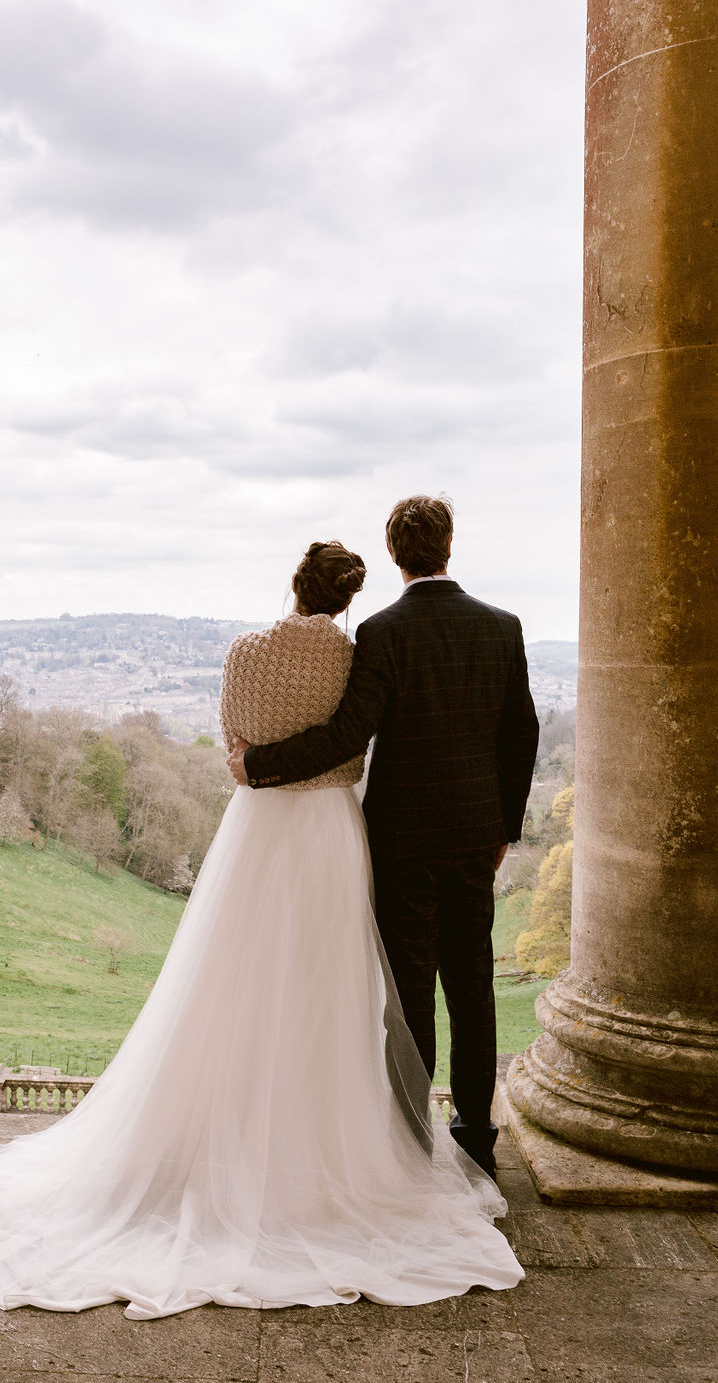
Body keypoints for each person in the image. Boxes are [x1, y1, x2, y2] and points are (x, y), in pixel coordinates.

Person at [0, 539, 524, 1319]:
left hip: (258, 825)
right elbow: (363, 735)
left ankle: (255, 1133)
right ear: (347, 598)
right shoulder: (355, 649)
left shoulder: (254, 650)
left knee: (233, 978)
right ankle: (395, 1141)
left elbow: (234, 738)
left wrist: (261, 765)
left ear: (296, 586)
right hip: (335, 831)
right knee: (339, 985)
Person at [229, 498, 539, 1179]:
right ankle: (477, 1138)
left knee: (409, 993)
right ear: (449, 545)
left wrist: (258, 764)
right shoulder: (503, 627)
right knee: (473, 986)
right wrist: (504, 831)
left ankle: (410, 1139)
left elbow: (347, 737)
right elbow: (522, 736)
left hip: (400, 843)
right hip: (472, 838)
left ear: (396, 555)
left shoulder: (383, 631)